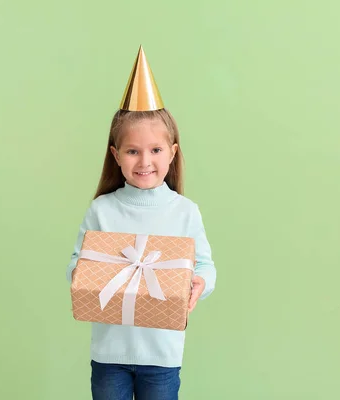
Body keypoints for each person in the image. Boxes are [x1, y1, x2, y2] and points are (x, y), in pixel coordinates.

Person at [66, 45, 217, 400]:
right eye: (133, 151)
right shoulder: (102, 210)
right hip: (109, 353)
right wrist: (83, 276)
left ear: (173, 153)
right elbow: (77, 263)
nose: (144, 161)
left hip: (162, 353)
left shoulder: (185, 212)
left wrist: (198, 284)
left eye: (156, 150)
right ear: (116, 156)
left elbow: (206, 266)